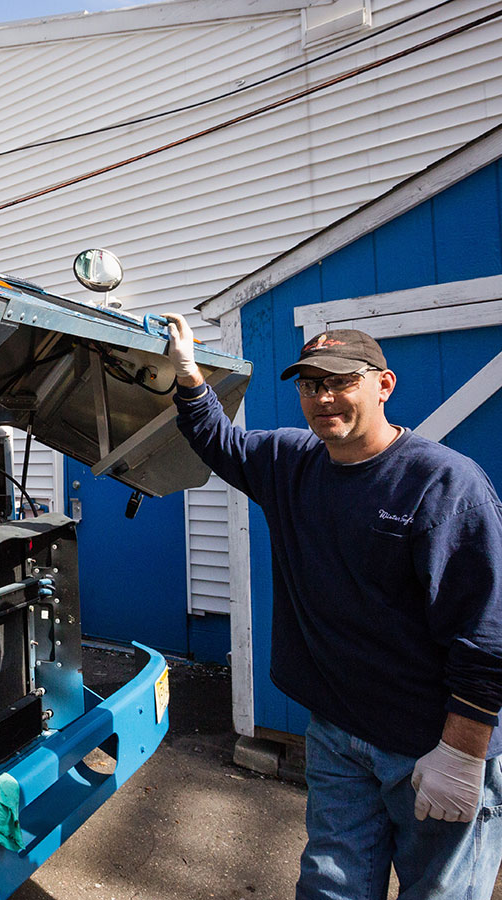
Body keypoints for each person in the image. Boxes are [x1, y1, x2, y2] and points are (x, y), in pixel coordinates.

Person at [164, 314, 502, 899]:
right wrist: (190, 373)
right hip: (337, 734)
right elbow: (218, 443)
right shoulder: (290, 463)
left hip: (431, 742)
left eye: (340, 382)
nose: (323, 397)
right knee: (330, 885)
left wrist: (463, 754)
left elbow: (488, 633)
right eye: (309, 384)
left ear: (383, 385)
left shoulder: (444, 484)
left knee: (439, 892)